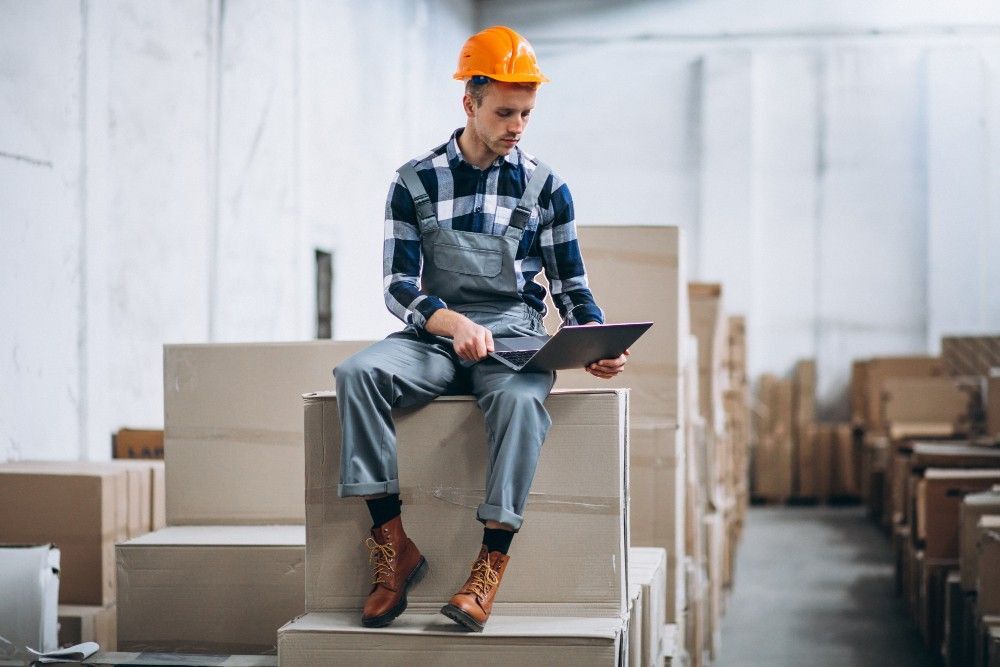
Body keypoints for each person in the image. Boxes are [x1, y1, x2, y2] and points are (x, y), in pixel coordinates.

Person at [333, 25, 629, 633]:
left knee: (521, 404)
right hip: (436, 336)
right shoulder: (415, 181)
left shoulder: (547, 187)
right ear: (469, 102)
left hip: (515, 339)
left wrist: (596, 340)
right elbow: (398, 285)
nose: (517, 126)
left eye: (526, 113)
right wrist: (451, 322)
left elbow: (572, 287)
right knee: (356, 374)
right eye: (504, 112)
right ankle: (393, 545)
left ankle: (489, 563)